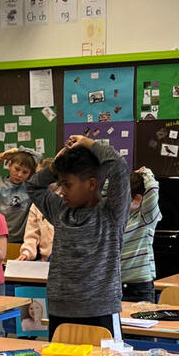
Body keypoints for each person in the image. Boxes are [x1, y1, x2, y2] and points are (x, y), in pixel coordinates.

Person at [27, 134, 130, 339]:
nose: (62, 191)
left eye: (67, 184)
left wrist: (89, 143)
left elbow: (118, 167)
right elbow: (32, 185)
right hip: (60, 309)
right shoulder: (60, 210)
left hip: (100, 310)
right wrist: (55, 167)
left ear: (91, 184)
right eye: (60, 184)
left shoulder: (111, 214)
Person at [121, 166, 161, 302]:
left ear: (137, 199)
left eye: (121, 199)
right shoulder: (116, 218)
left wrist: (145, 172)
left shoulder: (145, 217)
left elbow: (152, 190)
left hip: (139, 288)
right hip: (114, 286)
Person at [0, 148, 37, 243]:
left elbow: (41, 160)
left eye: (25, 172)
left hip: (20, 241)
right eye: (17, 169)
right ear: (9, 165)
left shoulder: (31, 189)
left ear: (30, 174)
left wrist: (19, 150)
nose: (19, 175)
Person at [18, 157, 56, 261]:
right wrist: (26, 254)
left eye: (42, 178)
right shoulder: (36, 204)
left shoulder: (68, 199)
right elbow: (31, 235)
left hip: (67, 261)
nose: (38, 182)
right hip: (45, 260)